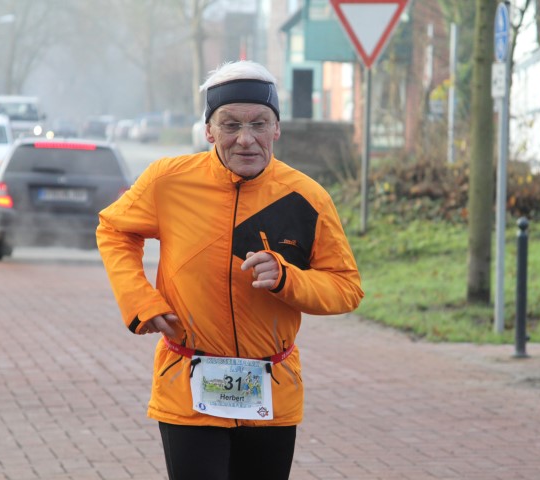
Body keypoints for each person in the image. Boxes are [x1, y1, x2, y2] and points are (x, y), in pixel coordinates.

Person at [96, 60, 363, 480]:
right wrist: (139, 300)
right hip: (189, 384)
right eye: (230, 124)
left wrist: (287, 279)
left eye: (259, 124)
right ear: (209, 130)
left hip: (271, 388)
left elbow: (346, 288)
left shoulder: (306, 197)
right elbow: (114, 229)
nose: (245, 139)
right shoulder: (169, 181)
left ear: (277, 129)